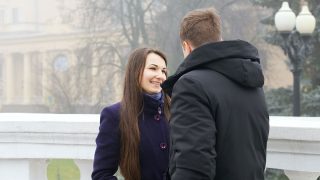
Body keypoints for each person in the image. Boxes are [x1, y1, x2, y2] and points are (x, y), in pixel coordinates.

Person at [161, 8, 269, 180]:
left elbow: (193, 167)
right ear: (220, 40)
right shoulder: (252, 84)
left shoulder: (190, 85)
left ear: (186, 46)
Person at [92, 47, 171, 180]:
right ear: (135, 72)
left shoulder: (176, 110)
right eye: (153, 68)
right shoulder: (114, 115)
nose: (160, 76)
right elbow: (101, 175)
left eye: (164, 71)